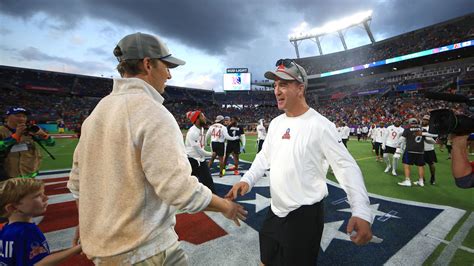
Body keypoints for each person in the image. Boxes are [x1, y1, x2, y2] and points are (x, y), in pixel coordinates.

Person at [67, 32, 247, 265]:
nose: (170, 75)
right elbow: (178, 189)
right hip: (144, 249)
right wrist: (225, 206)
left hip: (105, 248)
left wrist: (88, 222)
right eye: (166, 66)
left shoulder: (97, 113)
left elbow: (77, 182)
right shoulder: (152, 112)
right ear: (148, 64)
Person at [226, 59, 373, 265]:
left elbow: (346, 167)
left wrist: (361, 210)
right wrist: (247, 180)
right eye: (275, 85)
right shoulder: (276, 123)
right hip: (275, 209)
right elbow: (264, 156)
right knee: (266, 260)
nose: (276, 90)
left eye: (284, 84)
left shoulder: (321, 125)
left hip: (304, 215)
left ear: (300, 88)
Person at [0, 178, 82, 265]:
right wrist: (79, 247)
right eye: (37, 196)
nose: (46, 197)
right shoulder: (27, 231)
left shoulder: (5, 229)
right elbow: (39, 263)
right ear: (12, 208)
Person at [0, 107, 55, 179]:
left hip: (29, 174)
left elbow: (52, 143)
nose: (22, 118)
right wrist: (16, 136)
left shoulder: (30, 131)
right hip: (8, 175)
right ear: (7, 118)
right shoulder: (1, 131)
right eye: (18, 116)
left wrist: (43, 135)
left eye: (24, 116)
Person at [397, 118, 434, 187]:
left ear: (410, 123)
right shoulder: (423, 130)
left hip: (410, 150)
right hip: (420, 151)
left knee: (407, 164)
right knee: (420, 166)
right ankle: (421, 181)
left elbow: (401, 139)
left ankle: (407, 180)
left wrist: (397, 145)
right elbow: (431, 139)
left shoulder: (407, 129)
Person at [185, 110, 215, 193]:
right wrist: (211, 154)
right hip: (193, 160)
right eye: (202, 116)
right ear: (197, 119)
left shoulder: (200, 129)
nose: (205, 117)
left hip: (199, 159)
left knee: (206, 183)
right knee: (206, 183)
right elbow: (198, 150)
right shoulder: (193, 132)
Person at [422, 115, 438, 185]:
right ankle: (422, 178)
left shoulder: (432, 128)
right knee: (421, 165)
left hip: (429, 149)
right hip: (420, 149)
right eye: (424, 119)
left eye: (427, 120)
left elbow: (435, 137)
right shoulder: (419, 127)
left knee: (431, 164)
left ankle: (433, 177)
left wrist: (426, 134)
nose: (425, 121)